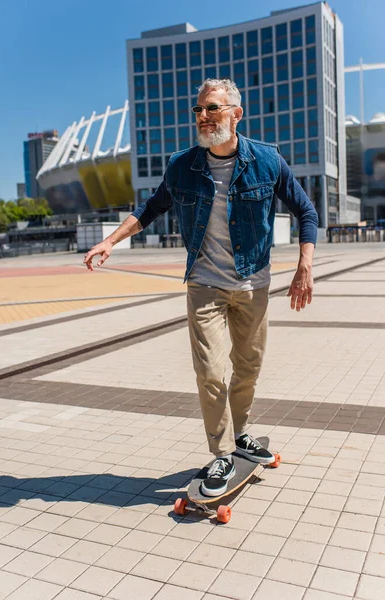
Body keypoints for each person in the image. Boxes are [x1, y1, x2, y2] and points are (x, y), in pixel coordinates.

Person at [84, 79, 318, 497]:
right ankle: (222, 452)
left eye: (212, 108)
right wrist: (110, 241)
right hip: (205, 284)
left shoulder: (267, 161)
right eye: (198, 111)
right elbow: (149, 209)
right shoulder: (182, 166)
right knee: (210, 373)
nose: (203, 117)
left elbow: (305, 210)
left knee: (248, 367)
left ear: (236, 113)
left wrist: (305, 265)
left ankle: (242, 431)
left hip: (253, 283)